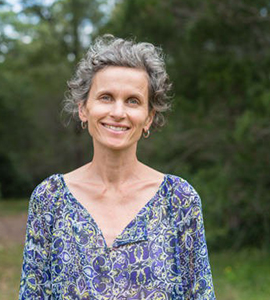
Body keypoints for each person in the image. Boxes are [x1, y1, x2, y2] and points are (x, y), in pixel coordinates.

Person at [19, 35, 216, 300]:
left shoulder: (179, 200)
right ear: (83, 108)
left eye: (133, 101)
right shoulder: (50, 199)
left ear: (148, 117)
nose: (118, 112)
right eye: (106, 97)